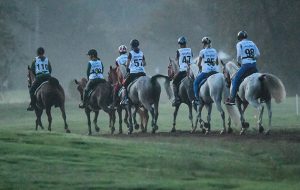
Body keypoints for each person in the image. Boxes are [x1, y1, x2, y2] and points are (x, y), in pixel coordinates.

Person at [225, 31, 260, 105]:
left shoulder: (239, 44)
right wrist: (253, 59)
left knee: (235, 79)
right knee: (260, 79)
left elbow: (238, 56)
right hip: (253, 66)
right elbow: (258, 54)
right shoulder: (252, 43)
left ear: (239, 38)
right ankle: (263, 97)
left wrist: (238, 62)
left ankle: (232, 99)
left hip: (245, 66)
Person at [193, 37, 219, 107]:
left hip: (206, 72)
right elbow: (217, 63)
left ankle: (197, 99)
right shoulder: (214, 50)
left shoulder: (202, 51)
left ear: (204, 44)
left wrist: (200, 67)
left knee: (195, 83)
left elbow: (198, 64)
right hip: (215, 71)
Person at [120, 39, 146, 105]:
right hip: (142, 72)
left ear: (132, 46)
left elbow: (128, 64)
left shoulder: (131, 53)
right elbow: (144, 63)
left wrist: (127, 69)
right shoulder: (141, 53)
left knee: (124, 85)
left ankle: (125, 99)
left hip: (134, 73)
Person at [172, 36, 193, 106]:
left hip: (183, 71)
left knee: (174, 83)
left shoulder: (179, 51)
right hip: (191, 71)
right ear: (185, 43)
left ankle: (176, 99)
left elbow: (176, 61)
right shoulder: (190, 50)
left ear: (180, 44)